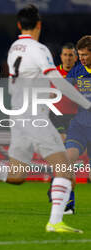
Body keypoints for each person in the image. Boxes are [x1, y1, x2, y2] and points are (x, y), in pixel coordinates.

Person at [6, 5, 91, 233]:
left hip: (18, 114)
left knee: (16, 176)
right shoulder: (38, 48)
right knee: (65, 171)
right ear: (39, 24)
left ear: (18, 25)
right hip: (34, 116)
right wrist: (86, 103)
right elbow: (58, 80)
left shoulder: (15, 47)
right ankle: (55, 222)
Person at [47, 43, 78, 215]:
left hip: (76, 119)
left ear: (76, 57)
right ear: (61, 56)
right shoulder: (52, 74)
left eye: (71, 55)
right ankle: (67, 200)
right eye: (65, 54)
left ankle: (58, 188)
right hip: (56, 117)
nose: (68, 58)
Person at [64, 36, 91, 184]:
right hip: (79, 126)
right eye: (79, 55)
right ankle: (69, 206)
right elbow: (63, 92)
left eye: (85, 54)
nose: (81, 58)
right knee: (67, 162)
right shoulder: (76, 71)